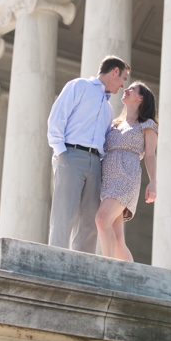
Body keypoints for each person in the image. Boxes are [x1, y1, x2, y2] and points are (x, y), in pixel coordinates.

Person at [46, 56, 129, 252]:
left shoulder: (108, 109)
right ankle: (54, 261)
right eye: (123, 78)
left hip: (96, 163)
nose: (123, 86)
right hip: (71, 155)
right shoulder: (79, 86)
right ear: (114, 72)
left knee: (90, 220)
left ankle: (80, 266)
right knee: (64, 214)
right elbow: (57, 118)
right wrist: (61, 153)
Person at [95, 82, 158, 261]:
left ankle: (108, 269)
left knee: (102, 219)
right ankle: (131, 278)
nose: (126, 89)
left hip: (126, 176)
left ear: (141, 98)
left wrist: (153, 182)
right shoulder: (114, 124)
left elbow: (151, 155)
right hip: (107, 176)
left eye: (131, 89)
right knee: (117, 237)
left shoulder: (147, 125)